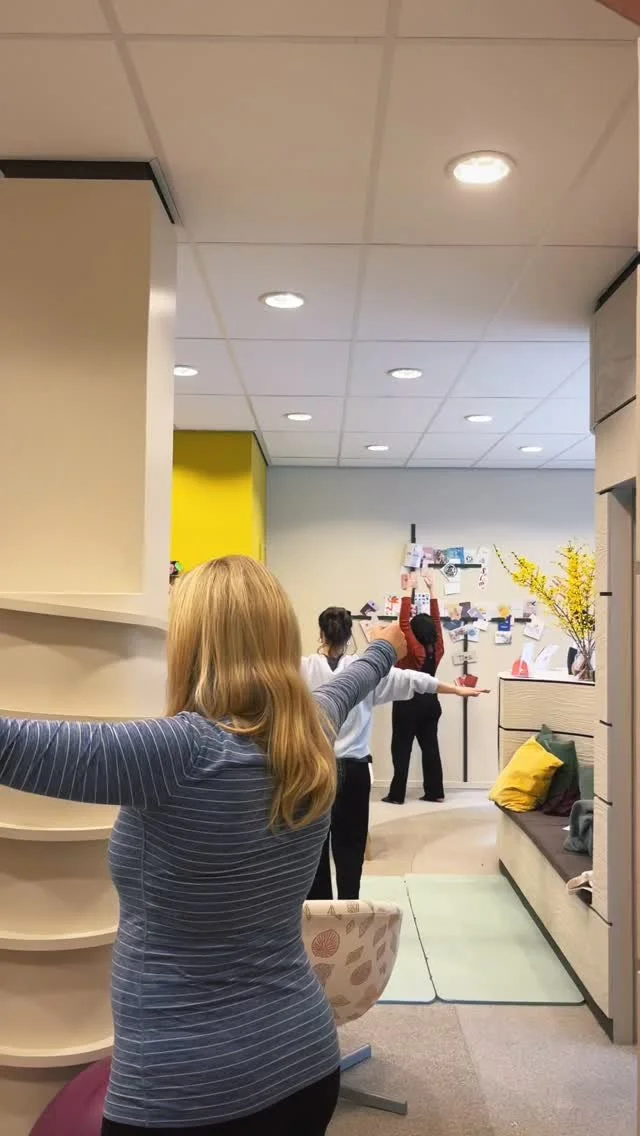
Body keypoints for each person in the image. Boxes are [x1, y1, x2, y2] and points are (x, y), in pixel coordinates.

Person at [0, 556, 408, 1136]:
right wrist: (388, 645)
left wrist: (385, 648)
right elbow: (358, 676)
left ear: (191, 644)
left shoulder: (172, 752)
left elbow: (10, 747)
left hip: (182, 1095)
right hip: (306, 1063)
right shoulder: (313, 729)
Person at [302, 605, 489, 899]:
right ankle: (349, 910)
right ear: (350, 635)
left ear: (321, 633)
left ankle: (319, 915)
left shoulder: (303, 668)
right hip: (354, 770)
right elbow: (412, 679)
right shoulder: (365, 669)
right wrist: (455, 689)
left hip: (314, 770)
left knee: (313, 848)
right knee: (351, 847)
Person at [384, 569, 456, 805]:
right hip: (431, 704)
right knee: (431, 748)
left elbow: (403, 622)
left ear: (414, 633)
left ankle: (396, 795)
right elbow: (437, 622)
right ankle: (435, 792)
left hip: (407, 703)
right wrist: (432, 589)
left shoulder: (414, 650)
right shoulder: (437, 648)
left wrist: (409, 589)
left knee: (401, 750)